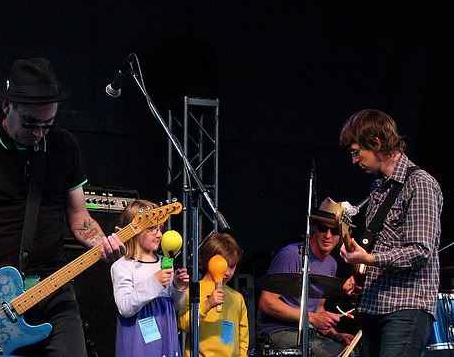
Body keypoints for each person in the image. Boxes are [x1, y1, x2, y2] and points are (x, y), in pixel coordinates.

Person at [0, 57, 125, 357]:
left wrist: (103, 243)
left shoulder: (65, 146)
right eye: (31, 122)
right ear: (7, 105)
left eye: (48, 123)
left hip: (51, 288)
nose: (39, 132)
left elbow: (79, 217)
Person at [339, 109, 443, 357]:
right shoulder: (378, 188)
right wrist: (360, 275)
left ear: (376, 142)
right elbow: (383, 245)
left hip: (406, 308)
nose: (354, 160)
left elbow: (420, 251)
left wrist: (369, 259)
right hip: (375, 306)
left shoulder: (420, 184)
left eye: (356, 152)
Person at [256, 199, 355, 357]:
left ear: (342, 235)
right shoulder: (291, 255)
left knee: (349, 352)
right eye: (323, 229)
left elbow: (318, 309)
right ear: (315, 228)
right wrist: (312, 318)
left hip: (309, 333)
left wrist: (335, 335)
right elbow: (267, 302)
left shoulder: (331, 264)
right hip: (278, 332)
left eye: (335, 231)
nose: (328, 235)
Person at [110, 199, 190, 357]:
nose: (160, 234)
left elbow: (173, 307)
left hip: (166, 337)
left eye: (160, 228)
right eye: (152, 228)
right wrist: (154, 282)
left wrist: (177, 287)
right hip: (139, 342)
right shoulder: (123, 266)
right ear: (135, 230)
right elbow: (125, 307)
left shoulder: (165, 262)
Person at [177, 231, 249, 357]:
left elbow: (243, 336)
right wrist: (207, 305)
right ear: (207, 260)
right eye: (224, 265)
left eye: (232, 266)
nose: (227, 272)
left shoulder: (237, 298)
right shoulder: (192, 290)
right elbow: (183, 324)